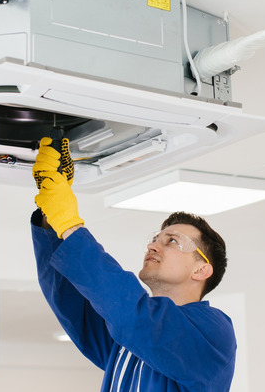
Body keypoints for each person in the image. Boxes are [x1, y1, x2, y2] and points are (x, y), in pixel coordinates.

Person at [30, 137, 237, 391]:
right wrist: (51, 218)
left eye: (172, 241)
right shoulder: (128, 336)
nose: (153, 246)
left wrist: (70, 225)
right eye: (155, 239)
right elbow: (72, 303)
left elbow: (134, 316)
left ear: (201, 269)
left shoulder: (214, 333)